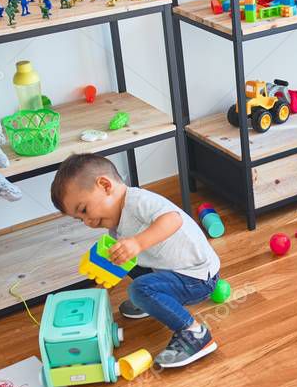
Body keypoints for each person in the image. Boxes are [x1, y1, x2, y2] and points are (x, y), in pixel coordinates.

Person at [50, 154, 221, 368]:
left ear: (105, 185)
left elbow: (173, 219)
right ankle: (154, 302)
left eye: (84, 210)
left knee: (139, 288)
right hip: (172, 270)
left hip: (198, 278)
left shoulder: (139, 201)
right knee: (121, 256)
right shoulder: (116, 224)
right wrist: (101, 288)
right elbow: (118, 262)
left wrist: (138, 244)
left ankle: (195, 334)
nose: (87, 222)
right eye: (80, 219)